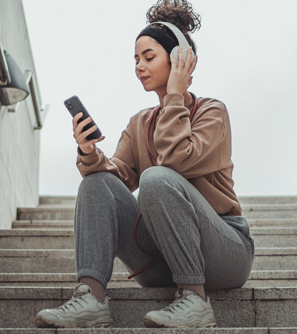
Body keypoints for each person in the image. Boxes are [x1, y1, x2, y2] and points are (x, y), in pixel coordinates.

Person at [34, 0, 255, 329]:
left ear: (180, 59)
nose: (139, 66)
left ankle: (195, 300)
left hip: (224, 254)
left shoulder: (212, 113)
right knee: (95, 182)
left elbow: (178, 160)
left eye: (148, 57)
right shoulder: (140, 123)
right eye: (136, 59)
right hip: (163, 259)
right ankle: (90, 298)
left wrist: (176, 96)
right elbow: (116, 180)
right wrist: (88, 152)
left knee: (156, 178)